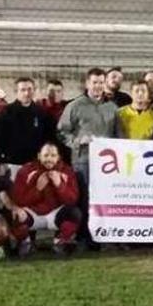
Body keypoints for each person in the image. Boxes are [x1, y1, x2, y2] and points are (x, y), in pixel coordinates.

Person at [57, 67, 119, 248]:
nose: (98, 86)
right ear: (87, 83)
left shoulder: (112, 108)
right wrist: (76, 141)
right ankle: (84, 235)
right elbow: (61, 132)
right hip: (82, 160)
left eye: (101, 82)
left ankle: (101, 234)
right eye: (95, 82)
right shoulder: (74, 106)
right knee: (84, 199)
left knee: (103, 198)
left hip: (106, 163)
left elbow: (118, 136)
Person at [11, 143, 82, 257]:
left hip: (55, 214)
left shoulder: (67, 171)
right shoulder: (26, 170)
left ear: (58, 157)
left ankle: (60, 242)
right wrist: (37, 189)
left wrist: (60, 185)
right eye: (46, 155)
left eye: (53, 155)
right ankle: (25, 242)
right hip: (33, 213)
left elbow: (72, 200)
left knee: (75, 213)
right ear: (39, 156)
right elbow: (18, 199)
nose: (49, 159)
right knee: (16, 216)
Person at [0, 77, 56, 179]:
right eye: (23, 90)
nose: (27, 93)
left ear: (34, 91)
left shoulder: (42, 114)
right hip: (12, 164)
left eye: (30, 89)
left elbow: (49, 139)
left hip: (36, 165)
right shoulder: (6, 113)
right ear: (16, 92)